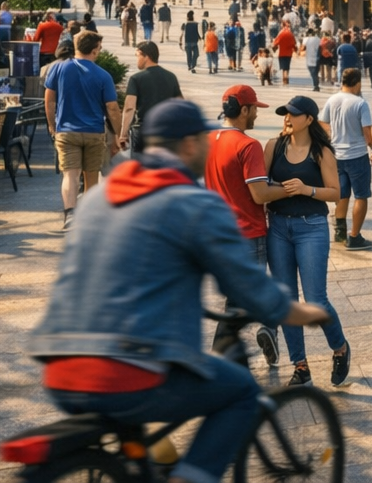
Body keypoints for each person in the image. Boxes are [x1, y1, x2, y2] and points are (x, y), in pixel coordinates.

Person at [29, 99, 331, 483]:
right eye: (203, 140)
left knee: (141, 447)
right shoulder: (192, 204)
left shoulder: (97, 198)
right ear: (189, 145)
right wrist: (299, 311)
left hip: (59, 364)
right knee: (239, 392)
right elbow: (245, 284)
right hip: (126, 369)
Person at [263, 95, 351, 386]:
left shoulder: (322, 152)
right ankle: (300, 366)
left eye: (293, 114)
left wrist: (306, 189)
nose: (287, 118)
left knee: (315, 298)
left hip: (311, 227)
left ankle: (339, 348)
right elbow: (261, 186)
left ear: (309, 120)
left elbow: (335, 192)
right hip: (277, 227)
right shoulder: (273, 147)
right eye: (285, 113)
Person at [203, 83, 282, 366]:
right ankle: (221, 363)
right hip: (248, 234)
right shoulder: (248, 146)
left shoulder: (209, 139)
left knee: (235, 301)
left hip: (218, 234)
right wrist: (290, 189)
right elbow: (259, 194)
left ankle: (238, 355)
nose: (256, 116)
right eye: (254, 110)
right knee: (242, 303)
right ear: (244, 109)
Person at [44, 31, 122, 231]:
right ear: (95, 50)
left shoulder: (58, 69)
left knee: (70, 175)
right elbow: (112, 108)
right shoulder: (103, 75)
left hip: (66, 131)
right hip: (94, 132)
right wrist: (119, 134)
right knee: (91, 175)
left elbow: (49, 100)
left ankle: (70, 214)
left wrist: (52, 125)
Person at [322, 67, 372, 249]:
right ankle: (355, 236)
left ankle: (340, 232)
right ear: (357, 82)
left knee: (342, 193)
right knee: (361, 196)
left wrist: (331, 140)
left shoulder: (332, 99)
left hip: (337, 156)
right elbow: (367, 132)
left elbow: (323, 123)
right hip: (357, 156)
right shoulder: (360, 103)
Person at [120, 41, 183, 154]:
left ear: (145, 56)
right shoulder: (171, 77)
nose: (137, 60)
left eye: (137, 56)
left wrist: (123, 135)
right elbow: (180, 105)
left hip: (144, 131)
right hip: (167, 131)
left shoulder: (136, 79)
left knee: (143, 169)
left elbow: (129, 108)